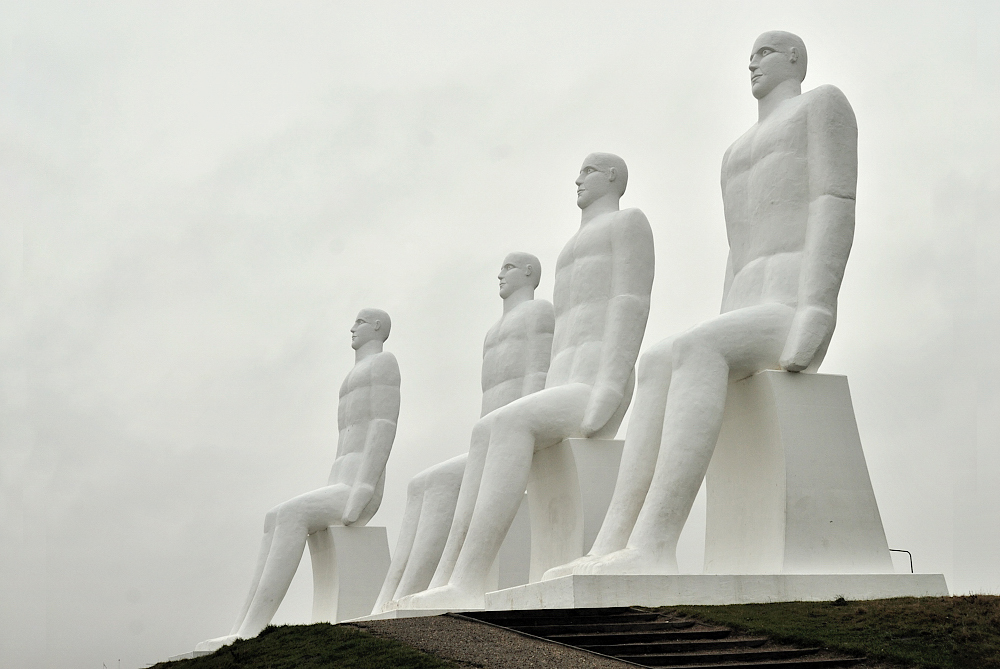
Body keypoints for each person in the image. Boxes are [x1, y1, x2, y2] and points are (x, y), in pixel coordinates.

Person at [546, 30, 857, 579]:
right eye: (750, 55)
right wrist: (722, 319)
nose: (753, 63)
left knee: (691, 348)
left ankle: (655, 542)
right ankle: (613, 539)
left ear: (795, 59)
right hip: (747, 306)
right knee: (657, 360)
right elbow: (738, 247)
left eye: (766, 52)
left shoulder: (821, 106)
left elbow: (833, 201)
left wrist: (818, 306)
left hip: (788, 302)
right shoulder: (734, 154)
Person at [396, 153, 655, 610]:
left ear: (613, 178)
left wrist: (610, 386)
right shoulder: (569, 251)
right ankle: (453, 577)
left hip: (595, 384)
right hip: (566, 384)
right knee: (486, 430)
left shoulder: (628, 223)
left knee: (507, 425)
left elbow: (630, 301)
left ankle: (469, 578)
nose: (577, 178)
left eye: (589, 171)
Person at [197, 309, 400, 650]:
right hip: (340, 483)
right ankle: (242, 624)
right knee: (273, 516)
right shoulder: (352, 376)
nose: (352, 327)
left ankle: (253, 627)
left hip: (358, 489)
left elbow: (384, 424)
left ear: (377, 328)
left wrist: (363, 488)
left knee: (291, 515)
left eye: (360, 322)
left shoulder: (384, 363)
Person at [373, 252, 554, 612]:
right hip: (488, 438)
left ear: (529, 273)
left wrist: (522, 430)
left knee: (453, 487)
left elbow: (537, 372)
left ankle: (453, 581)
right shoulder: (492, 333)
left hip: (513, 433)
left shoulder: (538, 312)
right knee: (423, 484)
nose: (499, 274)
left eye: (509, 267)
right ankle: (392, 598)